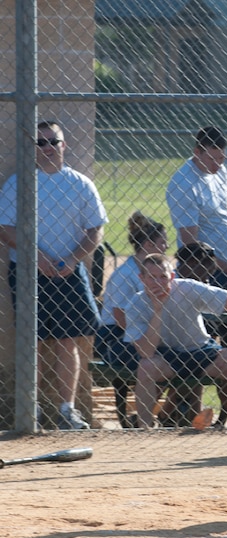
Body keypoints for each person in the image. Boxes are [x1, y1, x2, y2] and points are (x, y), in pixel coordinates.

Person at [0, 120, 108, 430]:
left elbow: (95, 229)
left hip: (68, 272)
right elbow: (5, 229)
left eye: (53, 141)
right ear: (33, 148)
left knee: (67, 343)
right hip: (28, 272)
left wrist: (73, 258)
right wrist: (38, 257)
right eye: (41, 142)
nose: (47, 147)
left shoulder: (80, 183)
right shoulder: (19, 183)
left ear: (64, 145)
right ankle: (28, 410)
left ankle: (67, 410)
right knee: (30, 342)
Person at [124, 254, 227, 428]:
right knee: (146, 367)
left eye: (163, 277)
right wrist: (158, 311)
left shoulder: (188, 288)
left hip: (201, 351)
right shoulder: (135, 304)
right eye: (152, 277)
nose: (158, 282)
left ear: (172, 277)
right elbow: (146, 352)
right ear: (142, 278)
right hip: (167, 356)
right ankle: (144, 428)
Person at [95, 212, 168, 428]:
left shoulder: (152, 271)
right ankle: (144, 416)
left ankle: (168, 411)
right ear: (147, 244)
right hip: (114, 335)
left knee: (177, 353)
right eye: (162, 242)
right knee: (159, 356)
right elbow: (119, 317)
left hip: (139, 332)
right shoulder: (126, 274)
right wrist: (145, 339)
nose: (166, 246)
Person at [166, 125, 227, 289]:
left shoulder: (221, 171)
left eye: (221, 158)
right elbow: (191, 244)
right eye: (212, 159)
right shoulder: (184, 183)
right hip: (202, 272)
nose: (217, 165)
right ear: (197, 152)